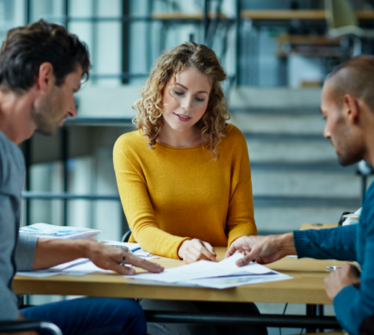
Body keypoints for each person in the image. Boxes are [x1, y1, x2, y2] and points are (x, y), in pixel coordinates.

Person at [0, 20, 163, 335]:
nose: (72, 109)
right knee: (123, 317)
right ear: (44, 77)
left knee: (122, 314)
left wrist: (86, 249)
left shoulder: (3, 145)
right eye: (71, 91)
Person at [226, 55, 374, 335]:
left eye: (327, 117)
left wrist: (342, 292)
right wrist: (283, 243)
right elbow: (369, 234)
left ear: (350, 108)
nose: (327, 132)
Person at [113, 42, 266, 335]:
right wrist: (182, 246)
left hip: (217, 272)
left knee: (253, 330)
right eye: (178, 92)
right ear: (160, 87)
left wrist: (240, 247)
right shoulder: (129, 148)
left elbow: (242, 220)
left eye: (199, 98)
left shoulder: (231, 141)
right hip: (158, 275)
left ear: (211, 100)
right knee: (194, 332)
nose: (187, 107)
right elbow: (142, 228)